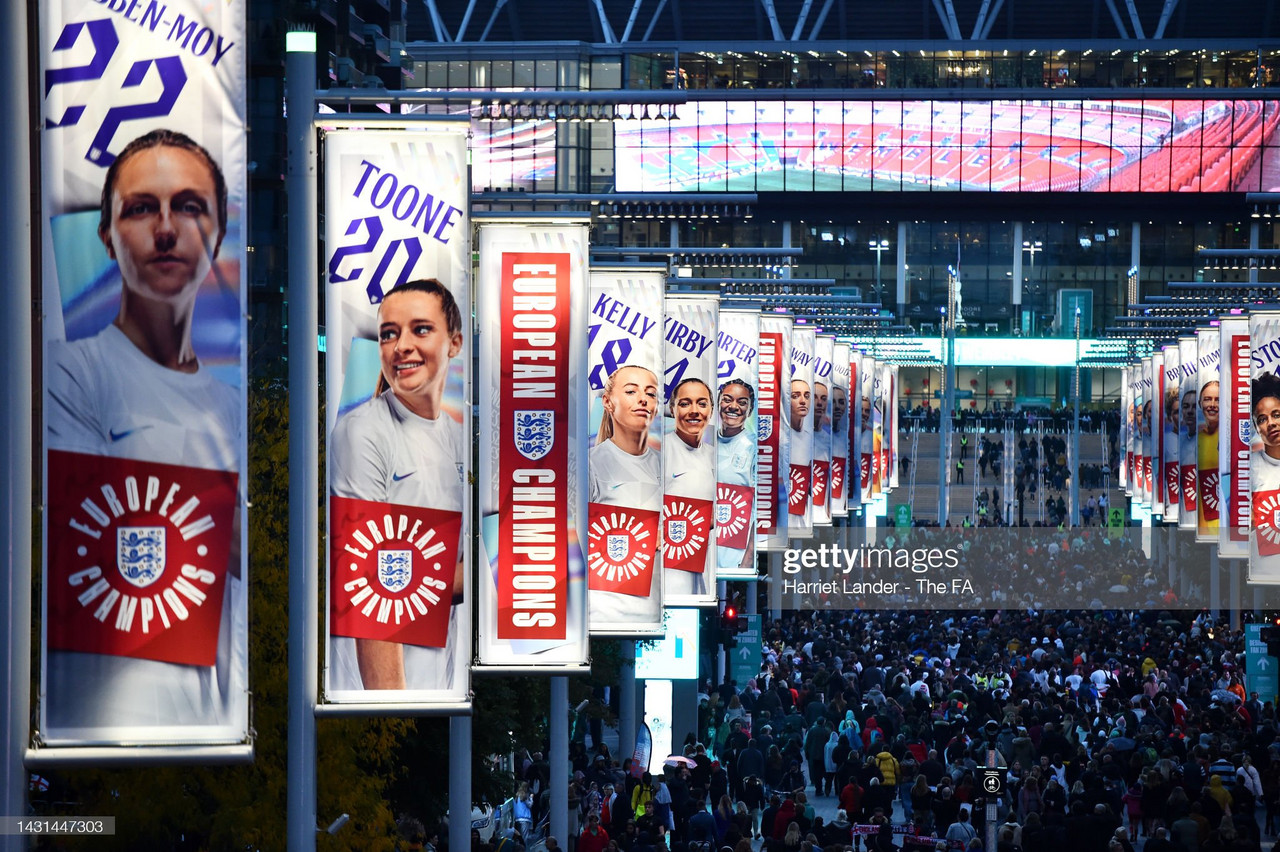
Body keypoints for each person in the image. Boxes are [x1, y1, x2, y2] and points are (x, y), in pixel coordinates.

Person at [44, 128, 245, 734]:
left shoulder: (232, 407)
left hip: (215, 726)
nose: (165, 229)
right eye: (140, 208)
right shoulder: (71, 372)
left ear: (216, 232)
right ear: (107, 235)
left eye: (188, 206)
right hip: (106, 720)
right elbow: (90, 538)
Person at [329, 278, 465, 691]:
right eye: (389, 334)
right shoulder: (363, 431)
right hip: (387, 704)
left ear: (454, 343)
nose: (401, 345)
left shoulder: (457, 436)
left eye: (420, 329)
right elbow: (366, 580)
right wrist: (388, 712)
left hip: (438, 685)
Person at [588, 365, 663, 617]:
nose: (643, 398)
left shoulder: (667, 465)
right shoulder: (590, 464)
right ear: (608, 402)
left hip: (654, 613)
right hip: (603, 612)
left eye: (651, 394)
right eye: (631, 391)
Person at [665, 378, 716, 593]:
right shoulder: (660, 451)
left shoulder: (715, 456)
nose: (694, 411)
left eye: (701, 404)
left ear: (711, 410)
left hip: (704, 568)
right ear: (673, 409)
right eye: (685, 403)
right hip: (669, 572)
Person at [716, 379, 757, 574]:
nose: (733, 407)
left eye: (742, 402)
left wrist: (748, 558)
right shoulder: (705, 442)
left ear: (749, 411)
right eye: (727, 400)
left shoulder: (755, 447)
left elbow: (760, 511)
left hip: (734, 555)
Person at [1252, 373, 1280, 570]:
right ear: (1256, 428)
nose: (1270, 423)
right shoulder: (1247, 468)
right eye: (1262, 419)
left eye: (1276, 415)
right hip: (1264, 568)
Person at [1199, 378, 1221, 533]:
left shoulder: (1234, 437)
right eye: (1207, 399)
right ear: (1200, 403)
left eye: (1217, 400)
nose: (1212, 404)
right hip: (1202, 522)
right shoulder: (1194, 437)